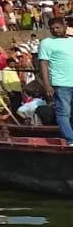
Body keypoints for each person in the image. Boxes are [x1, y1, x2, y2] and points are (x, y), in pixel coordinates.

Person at [37, 15, 73, 144]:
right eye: (52, 28)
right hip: (61, 83)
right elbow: (43, 64)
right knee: (64, 113)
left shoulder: (71, 41)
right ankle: (71, 140)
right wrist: (47, 85)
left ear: (65, 27)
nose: (55, 30)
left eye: (58, 27)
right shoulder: (46, 43)